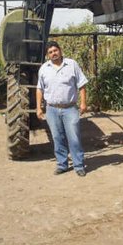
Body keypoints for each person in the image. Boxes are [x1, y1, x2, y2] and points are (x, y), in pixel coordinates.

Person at [36, 41, 88, 177]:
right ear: (48, 55)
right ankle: (62, 164)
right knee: (57, 137)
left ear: (60, 50)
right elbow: (39, 89)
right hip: (51, 109)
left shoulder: (72, 64)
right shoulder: (44, 68)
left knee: (74, 138)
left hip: (70, 108)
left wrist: (83, 103)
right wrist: (38, 108)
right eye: (50, 52)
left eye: (55, 50)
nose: (54, 53)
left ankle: (78, 165)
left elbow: (81, 85)